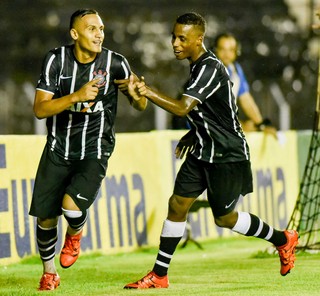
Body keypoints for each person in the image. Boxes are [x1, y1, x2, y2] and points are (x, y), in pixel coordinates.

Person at [120, 12, 298, 289]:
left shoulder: (209, 67)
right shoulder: (199, 66)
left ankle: (283, 239)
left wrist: (146, 91)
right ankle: (159, 274)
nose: (175, 43)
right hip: (204, 150)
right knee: (177, 204)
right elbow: (219, 110)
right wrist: (195, 132)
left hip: (228, 154)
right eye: (173, 36)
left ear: (198, 39)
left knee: (224, 218)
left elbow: (182, 107)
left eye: (182, 38)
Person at [29, 8, 147, 291]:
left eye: (102, 29)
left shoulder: (114, 62)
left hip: (95, 149)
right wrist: (75, 97)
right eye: (92, 29)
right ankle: (49, 272)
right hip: (58, 148)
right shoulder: (55, 59)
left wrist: (136, 94)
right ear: (74, 34)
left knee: (70, 206)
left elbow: (141, 105)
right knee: (46, 217)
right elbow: (39, 109)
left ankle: (76, 233)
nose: (99, 34)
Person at [213, 32, 277, 137]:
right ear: (215, 50)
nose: (226, 54)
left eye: (231, 50)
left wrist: (261, 125)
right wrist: (241, 126)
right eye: (222, 49)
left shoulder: (235, 70)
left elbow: (246, 100)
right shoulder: (209, 69)